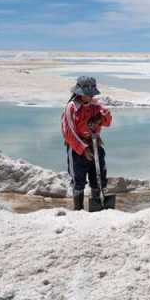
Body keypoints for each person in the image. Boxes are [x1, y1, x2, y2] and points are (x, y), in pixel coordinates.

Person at [62, 76, 113, 212]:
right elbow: (69, 132)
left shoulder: (96, 106)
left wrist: (103, 114)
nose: (89, 97)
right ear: (79, 92)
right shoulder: (71, 107)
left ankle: (97, 206)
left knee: (99, 176)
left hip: (95, 144)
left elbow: (107, 122)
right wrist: (83, 149)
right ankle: (78, 209)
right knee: (78, 179)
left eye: (91, 94)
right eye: (86, 94)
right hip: (77, 149)